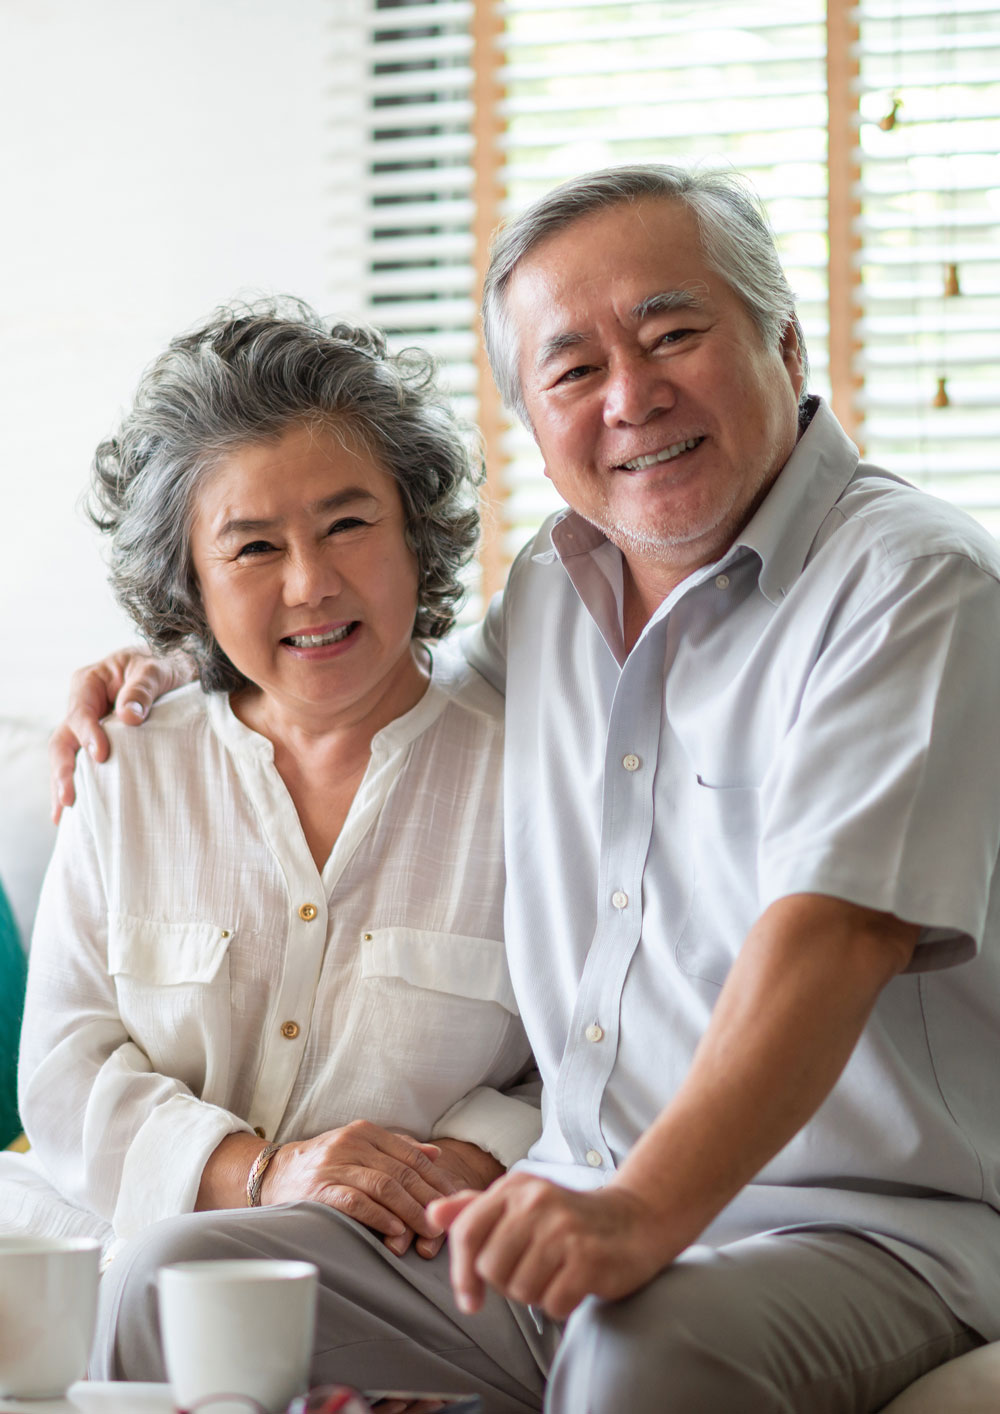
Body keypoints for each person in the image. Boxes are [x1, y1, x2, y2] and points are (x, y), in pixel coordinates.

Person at [52, 166, 1000, 1413]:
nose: (630, 396)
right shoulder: (556, 593)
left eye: (671, 334)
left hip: (856, 1228)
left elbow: (838, 934)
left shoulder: (913, 584)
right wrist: (183, 661)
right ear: (533, 422)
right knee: (176, 1279)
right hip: (566, 1211)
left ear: (783, 342)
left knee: (639, 1347)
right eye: (573, 369)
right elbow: (371, 669)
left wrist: (638, 1212)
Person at [3, 303, 548, 1411]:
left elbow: (587, 1057)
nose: (310, 583)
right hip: (108, 1248)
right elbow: (63, 1070)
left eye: (348, 524)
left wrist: (462, 1161)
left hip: (411, 1268)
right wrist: (260, 1171)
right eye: (253, 546)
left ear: (416, 531)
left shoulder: (535, 775)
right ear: (190, 582)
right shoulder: (127, 765)